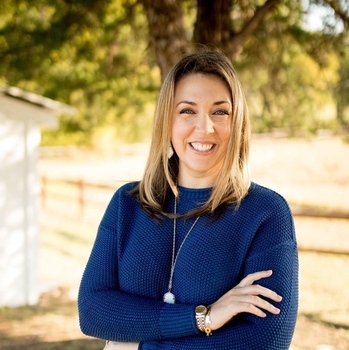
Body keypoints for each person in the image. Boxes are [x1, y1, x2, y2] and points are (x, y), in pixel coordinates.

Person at [78, 49, 299, 349]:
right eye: (187, 110)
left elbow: (265, 340)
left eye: (220, 111)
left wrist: (138, 343)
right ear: (167, 121)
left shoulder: (265, 214)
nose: (204, 127)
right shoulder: (127, 204)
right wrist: (203, 318)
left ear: (238, 124)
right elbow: (93, 311)